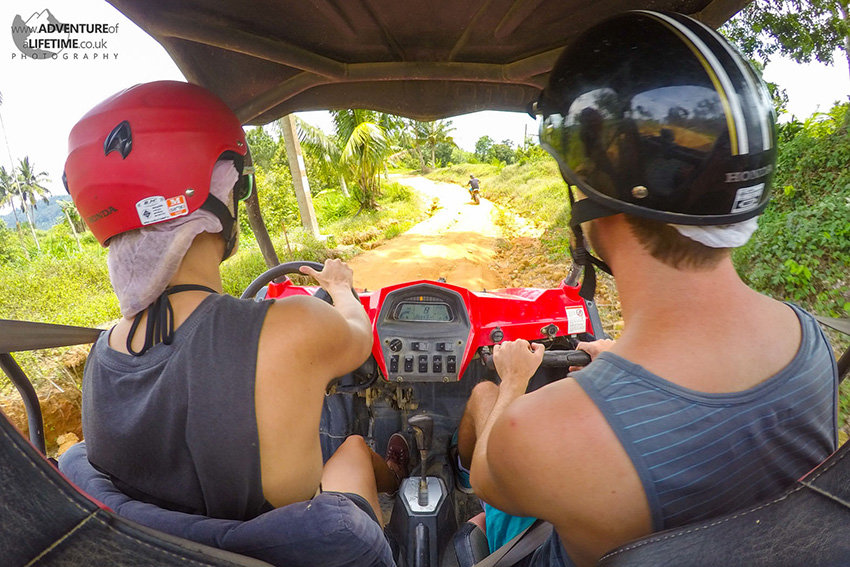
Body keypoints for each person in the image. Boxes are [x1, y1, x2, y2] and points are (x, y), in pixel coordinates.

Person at [461, 11, 839, 567]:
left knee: (474, 480)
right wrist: (619, 364)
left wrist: (514, 379)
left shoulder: (538, 433)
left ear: (589, 200)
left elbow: (486, 478)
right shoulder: (810, 341)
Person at [63, 81, 407, 566]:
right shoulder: (296, 325)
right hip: (311, 549)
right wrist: (343, 288)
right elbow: (358, 337)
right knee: (351, 446)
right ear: (223, 189)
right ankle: (400, 480)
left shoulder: (103, 354)